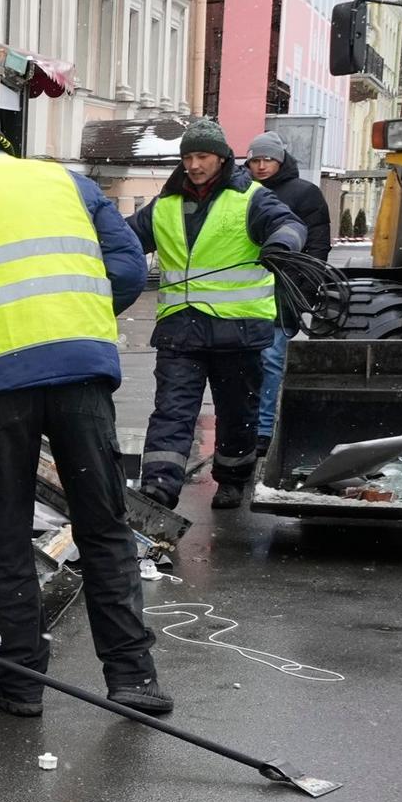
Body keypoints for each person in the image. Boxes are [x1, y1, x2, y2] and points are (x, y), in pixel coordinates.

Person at [0, 118, 170, 717]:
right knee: (103, 524)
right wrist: (73, 322)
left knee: (5, 535)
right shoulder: (66, 184)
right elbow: (128, 269)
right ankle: (134, 679)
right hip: (82, 375)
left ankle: (21, 685)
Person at [137, 119, 308, 512]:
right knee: (172, 412)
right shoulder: (166, 205)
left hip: (239, 331)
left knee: (237, 413)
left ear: (222, 158)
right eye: (187, 157)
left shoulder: (250, 198)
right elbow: (128, 238)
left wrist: (281, 243)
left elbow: (290, 224)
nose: (194, 165)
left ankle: (232, 478)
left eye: (202, 156)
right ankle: (158, 490)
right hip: (180, 332)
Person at [245, 130, 332, 446]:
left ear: (280, 160)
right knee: (244, 364)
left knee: (270, 361)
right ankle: (245, 425)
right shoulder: (240, 193)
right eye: (256, 159)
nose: (262, 165)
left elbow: (318, 246)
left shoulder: (304, 194)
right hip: (242, 294)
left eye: (268, 159)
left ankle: (263, 430)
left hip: (284, 292)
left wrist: (306, 286)